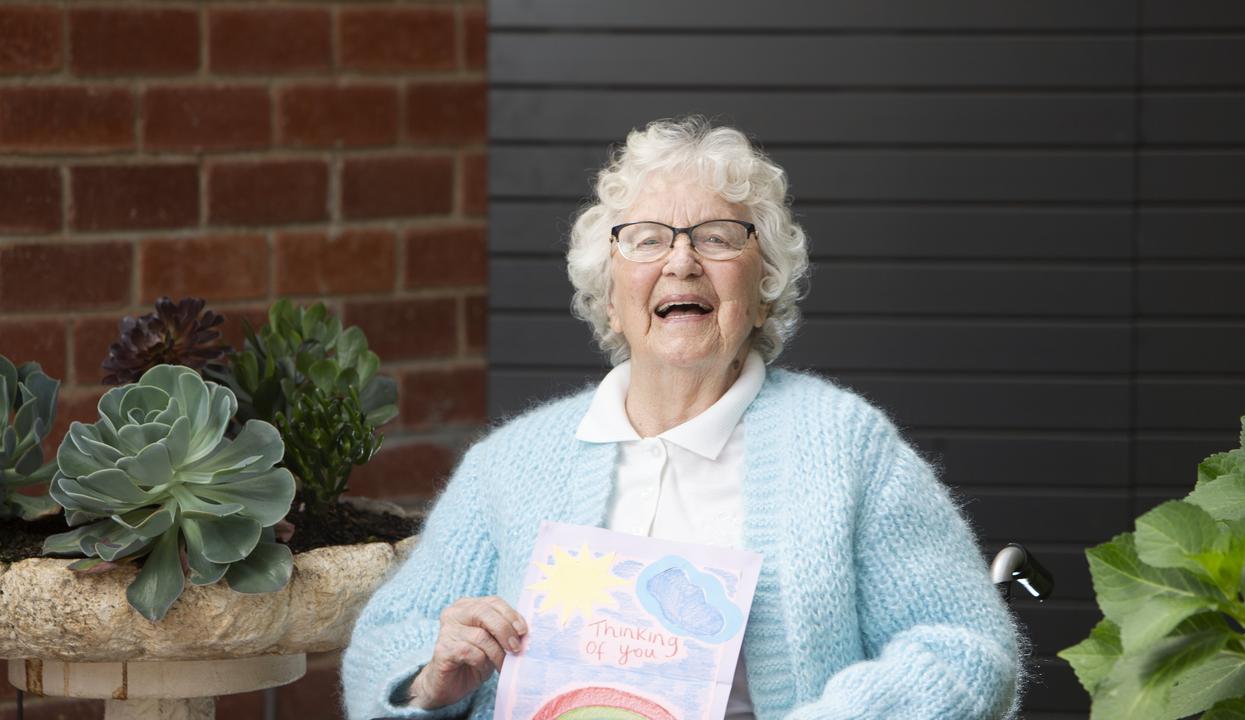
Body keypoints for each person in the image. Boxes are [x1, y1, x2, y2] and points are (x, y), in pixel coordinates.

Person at [341, 116, 1028, 720]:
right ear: (610, 298)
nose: (681, 260)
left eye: (718, 237)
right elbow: (389, 640)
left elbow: (966, 647)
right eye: (645, 240)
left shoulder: (846, 447)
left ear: (762, 294)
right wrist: (435, 679)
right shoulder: (512, 462)